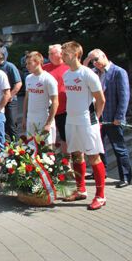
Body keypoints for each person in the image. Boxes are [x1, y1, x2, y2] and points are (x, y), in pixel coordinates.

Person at [60, 41, 107, 210]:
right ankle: (81, 190)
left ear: (74, 54)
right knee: (76, 155)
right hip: (71, 120)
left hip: (87, 121)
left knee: (94, 157)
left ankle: (100, 196)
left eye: (65, 53)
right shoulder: (66, 75)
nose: (62, 56)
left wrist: (97, 120)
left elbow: (101, 99)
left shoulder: (88, 74)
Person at [84, 49, 130, 188]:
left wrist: (119, 117)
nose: (95, 63)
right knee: (98, 146)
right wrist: (87, 59)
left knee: (119, 148)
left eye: (97, 59)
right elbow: (82, 71)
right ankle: (100, 172)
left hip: (113, 117)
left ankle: (126, 177)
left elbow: (124, 96)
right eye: (93, 61)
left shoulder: (118, 72)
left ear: (105, 56)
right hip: (98, 117)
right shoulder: (95, 72)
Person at [21, 51, 58, 144]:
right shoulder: (28, 78)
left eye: (29, 63)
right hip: (31, 119)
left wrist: (48, 123)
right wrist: (24, 117)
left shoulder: (48, 79)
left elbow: (55, 102)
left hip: (43, 118)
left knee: (46, 149)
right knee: (31, 147)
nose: (27, 66)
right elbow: (26, 98)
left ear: (37, 63)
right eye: (26, 63)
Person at [44, 44, 70, 156]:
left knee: (66, 138)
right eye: (49, 53)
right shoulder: (44, 68)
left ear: (61, 54)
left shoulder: (68, 67)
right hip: (47, 110)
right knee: (48, 139)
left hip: (64, 110)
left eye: (52, 53)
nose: (49, 55)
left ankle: (67, 164)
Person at [0, 47, 22, 140]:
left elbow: (18, 83)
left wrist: (10, 96)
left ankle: (17, 147)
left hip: (10, 101)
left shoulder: (9, 66)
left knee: (11, 124)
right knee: (1, 126)